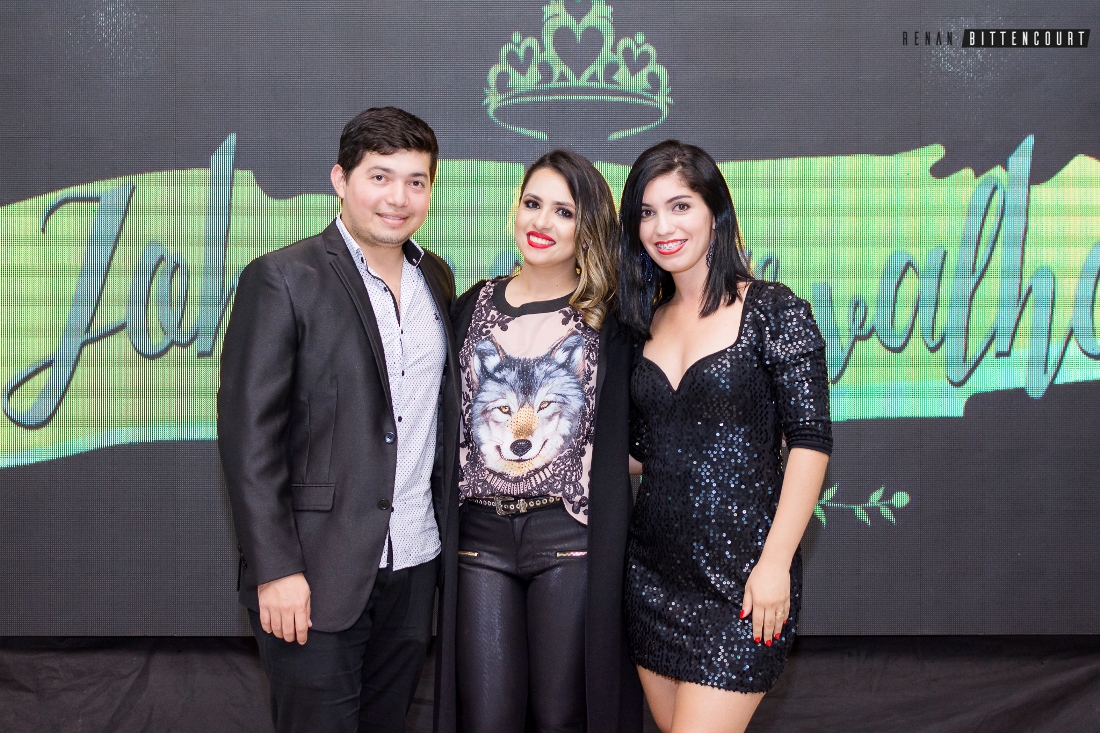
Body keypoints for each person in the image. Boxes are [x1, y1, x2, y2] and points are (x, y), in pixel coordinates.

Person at [217, 106, 460, 733]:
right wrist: (275, 570)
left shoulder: (436, 277)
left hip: (415, 563)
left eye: (415, 181)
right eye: (380, 177)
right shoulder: (282, 278)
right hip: (314, 573)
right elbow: (250, 441)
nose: (398, 198)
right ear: (340, 179)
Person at [618, 140, 832, 733]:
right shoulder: (640, 324)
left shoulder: (773, 311)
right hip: (651, 579)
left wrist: (775, 565)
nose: (663, 227)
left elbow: (810, 442)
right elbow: (644, 452)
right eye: (647, 212)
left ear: (716, 211)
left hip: (744, 583)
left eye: (680, 206)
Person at [437, 150, 642, 733]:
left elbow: (643, 432)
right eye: (532, 203)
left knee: (562, 718)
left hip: (571, 540)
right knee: (487, 719)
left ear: (588, 225)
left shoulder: (613, 320)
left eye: (564, 211)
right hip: (478, 540)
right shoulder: (470, 306)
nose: (542, 222)